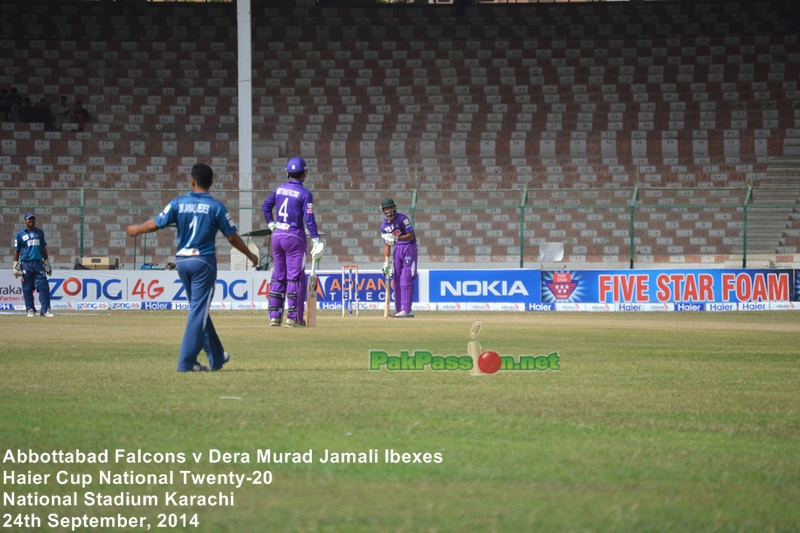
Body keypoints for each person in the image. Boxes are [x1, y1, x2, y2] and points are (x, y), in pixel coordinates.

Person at [127, 163, 258, 372]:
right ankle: (186, 362)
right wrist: (250, 254)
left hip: (182, 262)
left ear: (192, 181)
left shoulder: (178, 203)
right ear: (212, 183)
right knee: (199, 311)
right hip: (203, 262)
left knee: (199, 309)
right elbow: (232, 236)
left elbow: (155, 224)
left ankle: (216, 357)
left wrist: (136, 229)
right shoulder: (216, 207)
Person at [262, 157, 324, 327]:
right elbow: (309, 219)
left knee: (278, 277)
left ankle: (274, 317)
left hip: (277, 236)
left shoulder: (279, 189)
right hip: (294, 236)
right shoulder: (305, 193)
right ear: (304, 173)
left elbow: (265, 207)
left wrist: (272, 225)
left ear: (288, 172)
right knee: (295, 278)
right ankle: (293, 318)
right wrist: (316, 239)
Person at [380, 197, 418, 318]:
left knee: (405, 276)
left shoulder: (402, 218)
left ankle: (406, 310)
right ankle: (399, 310)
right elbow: (386, 245)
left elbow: (411, 236)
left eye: (391, 207)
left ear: (394, 207)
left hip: (409, 247)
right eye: (386, 208)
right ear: (383, 210)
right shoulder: (384, 226)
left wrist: (396, 239)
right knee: (396, 278)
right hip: (397, 249)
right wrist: (385, 264)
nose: (389, 210)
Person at [13, 212, 53, 318]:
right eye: (29, 219)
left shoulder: (40, 232)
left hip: (38, 263)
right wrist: (15, 264)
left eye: (33, 219)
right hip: (26, 263)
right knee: (27, 288)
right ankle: (30, 309)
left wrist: (47, 262)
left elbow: (43, 248)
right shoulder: (20, 234)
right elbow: (17, 250)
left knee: (44, 286)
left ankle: (45, 310)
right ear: (25, 221)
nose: (31, 221)